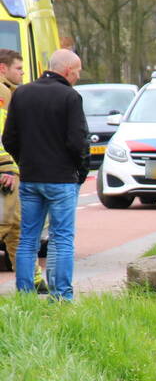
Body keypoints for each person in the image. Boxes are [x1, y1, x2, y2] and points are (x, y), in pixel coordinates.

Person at [2, 49, 88, 300]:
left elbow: (9, 138)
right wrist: (80, 171)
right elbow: (77, 142)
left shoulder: (22, 93)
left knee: (28, 237)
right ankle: (61, 296)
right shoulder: (70, 97)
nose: (78, 76)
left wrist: (24, 163)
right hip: (61, 180)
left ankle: (25, 295)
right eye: (78, 71)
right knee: (61, 239)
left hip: (30, 178)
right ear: (67, 70)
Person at [0, 48, 23, 271]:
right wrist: (7, 167)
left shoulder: (11, 91)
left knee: (16, 226)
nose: (23, 73)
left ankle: (31, 281)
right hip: (5, 172)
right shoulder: (2, 93)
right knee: (6, 223)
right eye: (18, 68)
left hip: (9, 169)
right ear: (2, 68)